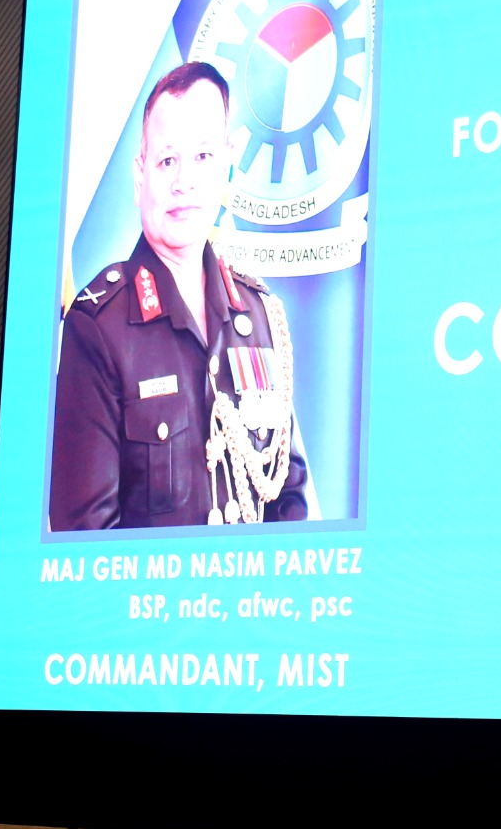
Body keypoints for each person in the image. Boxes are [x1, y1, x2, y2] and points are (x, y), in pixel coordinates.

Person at [49, 61, 308, 530]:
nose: (183, 182)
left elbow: (288, 498)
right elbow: (85, 541)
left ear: (226, 167)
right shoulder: (97, 327)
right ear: (140, 176)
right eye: (168, 160)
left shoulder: (261, 316)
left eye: (203, 157)